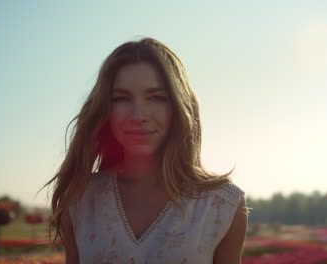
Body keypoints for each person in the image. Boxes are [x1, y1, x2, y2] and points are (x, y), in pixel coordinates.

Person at [43, 37, 248, 263]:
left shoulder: (221, 204)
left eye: (156, 98)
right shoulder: (81, 199)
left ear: (179, 107)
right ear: (105, 109)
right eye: (121, 98)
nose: (138, 114)